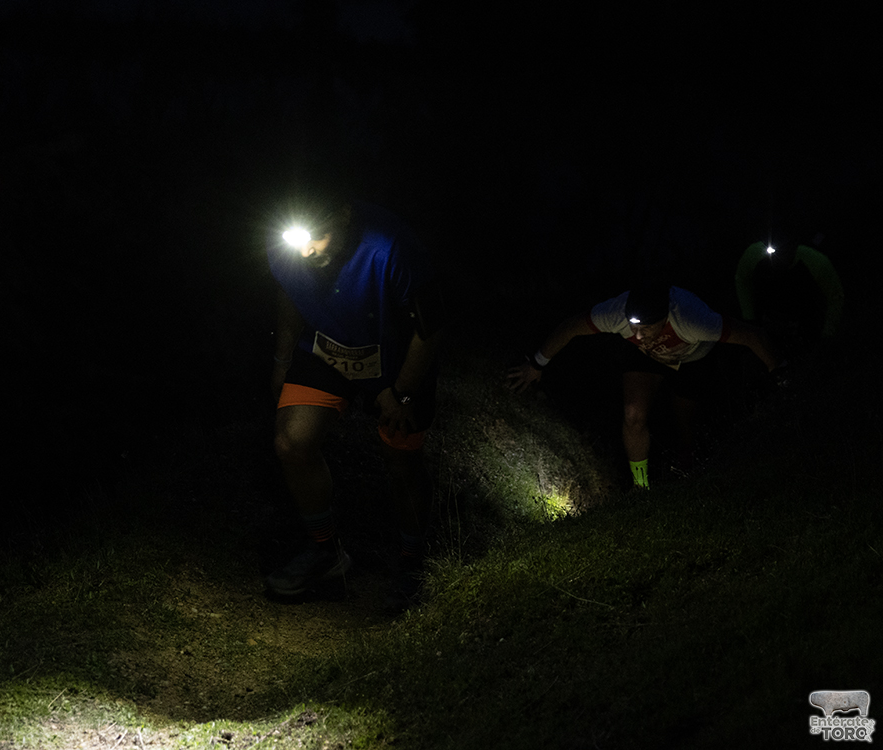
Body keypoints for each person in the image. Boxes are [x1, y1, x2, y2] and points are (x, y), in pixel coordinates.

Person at [265, 180, 443, 610]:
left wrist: (401, 393)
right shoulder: (285, 247)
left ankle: (413, 560)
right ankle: (325, 550)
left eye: (317, 237)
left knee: (401, 460)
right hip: (328, 347)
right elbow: (290, 293)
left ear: (343, 215)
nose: (306, 251)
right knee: (292, 440)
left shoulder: (392, 245)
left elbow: (430, 329)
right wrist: (283, 360)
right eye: (298, 240)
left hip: (395, 357)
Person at [506, 283, 782, 489]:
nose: (637, 334)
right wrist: (537, 364)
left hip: (693, 358)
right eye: (632, 326)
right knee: (632, 413)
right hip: (646, 359)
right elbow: (571, 327)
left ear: (665, 318)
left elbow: (752, 336)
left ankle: (688, 470)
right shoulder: (615, 313)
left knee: (685, 419)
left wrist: (780, 376)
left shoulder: (693, 319)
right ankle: (641, 487)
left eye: (646, 328)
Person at [735, 237, 844, 357]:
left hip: (805, 330)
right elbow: (742, 280)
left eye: (785, 250)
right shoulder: (754, 255)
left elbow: (835, 296)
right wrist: (749, 318)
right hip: (767, 325)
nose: (780, 257)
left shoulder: (816, 262)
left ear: (794, 247)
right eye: (774, 251)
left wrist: (827, 334)